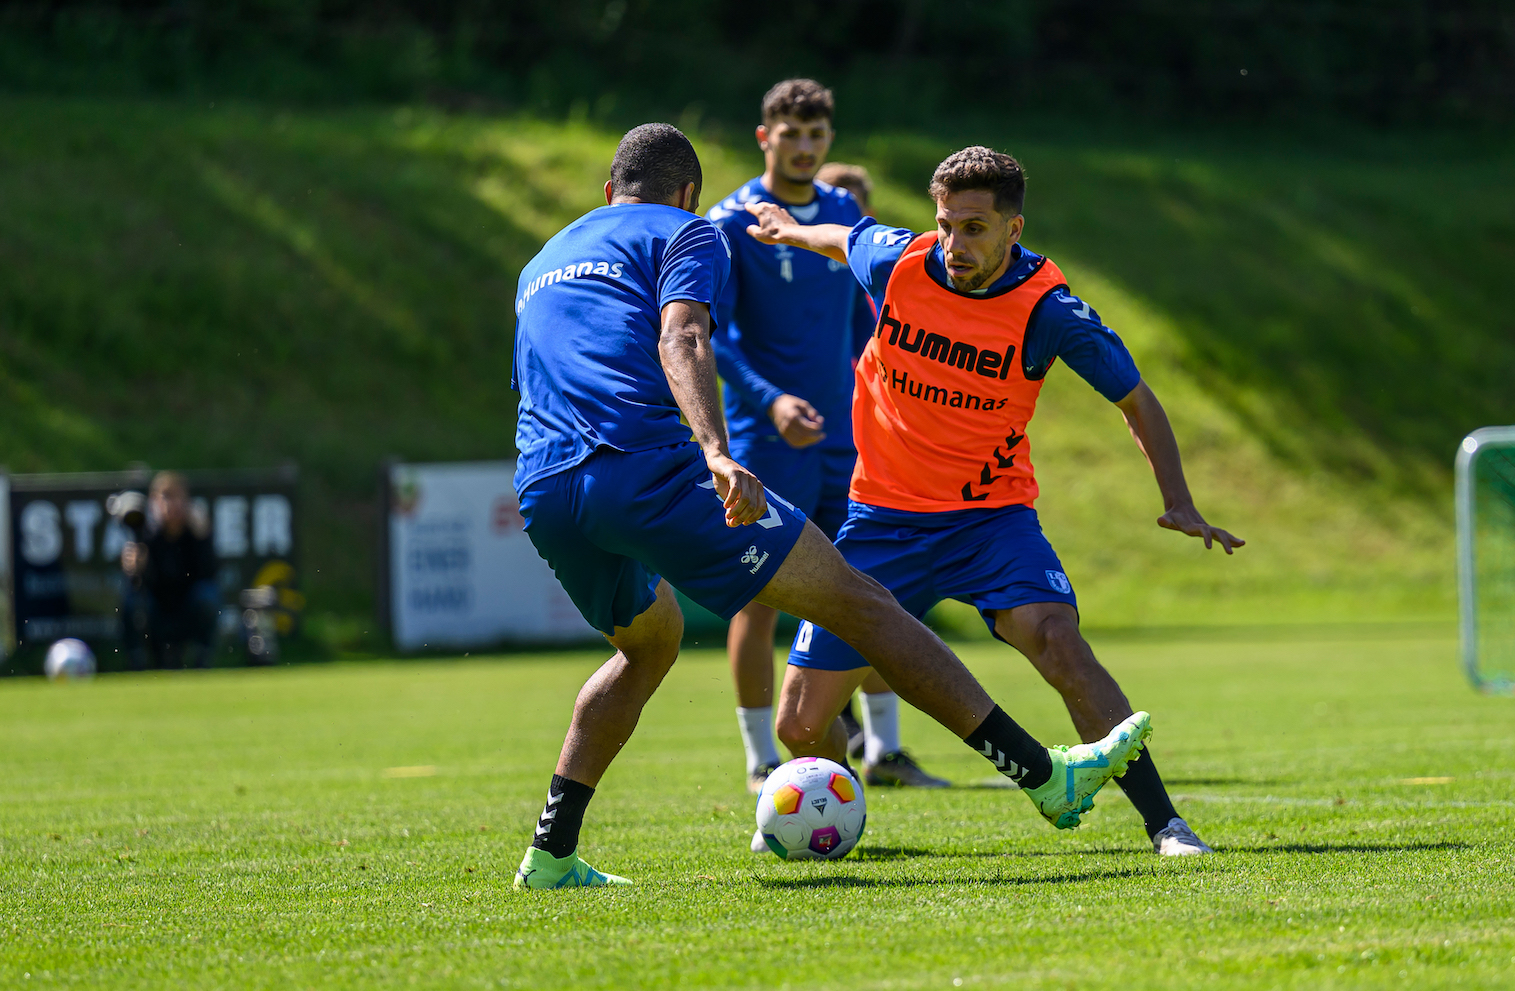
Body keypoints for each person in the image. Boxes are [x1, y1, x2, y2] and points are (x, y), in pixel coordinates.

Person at [508, 123, 1151, 889]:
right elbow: (683, 337)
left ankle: (550, 854)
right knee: (861, 601)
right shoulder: (690, 231)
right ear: (688, 194)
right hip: (645, 471)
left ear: (609, 193)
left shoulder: (542, 260)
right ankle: (1047, 777)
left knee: (648, 644)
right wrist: (715, 451)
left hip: (544, 485)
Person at [744, 146, 1240, 856]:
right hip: (881, 520)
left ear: (1014, 229)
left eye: (974, 228)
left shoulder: (1049, 310)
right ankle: (838, 814)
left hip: (990, 522)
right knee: (798, 721)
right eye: (946, 224)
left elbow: (1136, 398)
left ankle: (1166, 823)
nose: (954, 244)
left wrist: (1179, 500)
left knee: (1058, 644)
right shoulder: (897, 261)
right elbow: (840, 238)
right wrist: (786, 231)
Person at [706, 81, 947, 793]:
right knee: (758, 594)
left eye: (817, 134)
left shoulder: (845, 215)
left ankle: (885, 751)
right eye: (791, 133)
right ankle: (759, 760)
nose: (805, 146)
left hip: (848, 437)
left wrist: (891, 391)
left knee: (870, 586)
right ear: (765, 137)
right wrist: (771, 400)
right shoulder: (730, 221)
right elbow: (709, 337)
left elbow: (863, 324)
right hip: (766, 439)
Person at [117, 471, 218, 670]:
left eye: (178, 497)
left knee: (208, 595)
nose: (173, 504)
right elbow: (137, 587)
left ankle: (201, 661)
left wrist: (204, 539)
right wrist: (135, 568)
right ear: (154, 502)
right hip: (158, 613)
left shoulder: (197, 534)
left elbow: (210, 575)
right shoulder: (145, 535)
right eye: (166, 497)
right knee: (131, 602)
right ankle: (139, 664)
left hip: (187, 610)